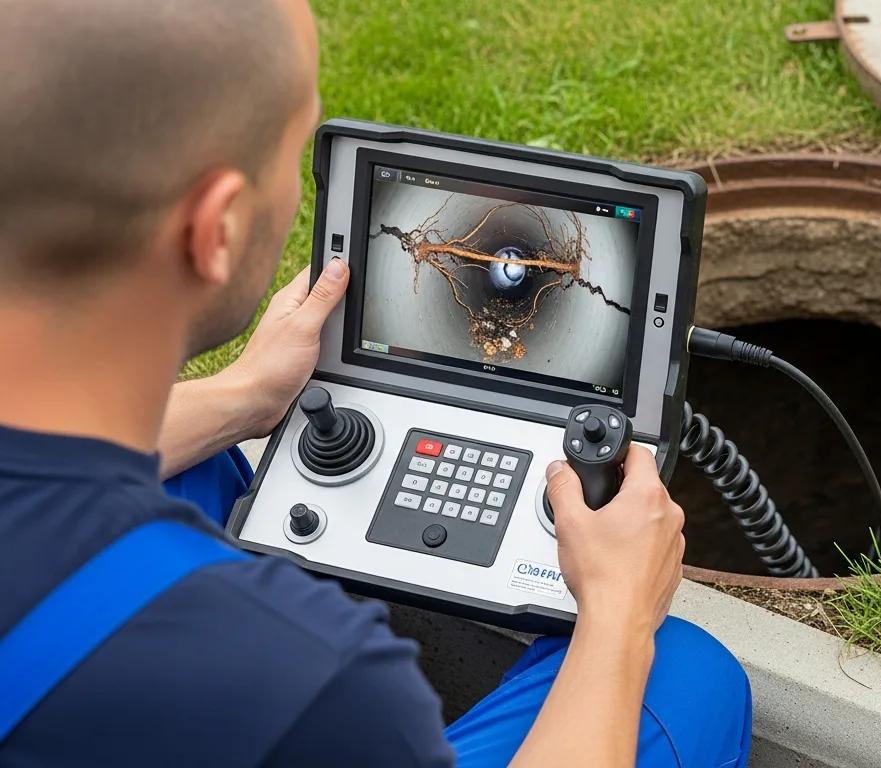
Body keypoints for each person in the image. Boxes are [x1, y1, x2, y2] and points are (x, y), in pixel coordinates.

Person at [0, 0, 752, 765]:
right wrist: (619, 611)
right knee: (690, 678)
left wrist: (244, 399)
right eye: (289, 157)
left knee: (201, 463)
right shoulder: (327, 683)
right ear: (215, 229)